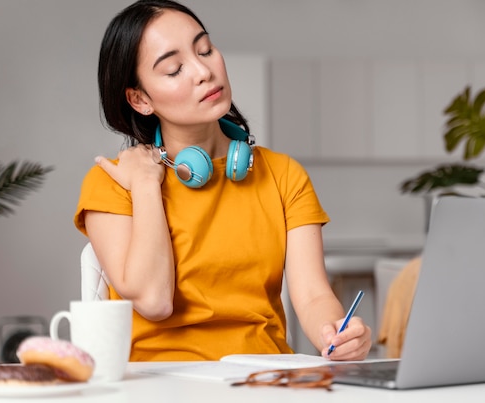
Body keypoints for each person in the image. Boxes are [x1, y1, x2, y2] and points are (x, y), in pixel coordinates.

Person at [73, 0, 372, 362]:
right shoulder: (112, 182)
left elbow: (312, 295)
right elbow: (153, 302)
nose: (203, 71)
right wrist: (147, 185)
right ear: (139, 99)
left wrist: (337, 333)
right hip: (160, 384)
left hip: (265, 377)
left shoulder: (284, 175)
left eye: (205, 49)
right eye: (174, 69)